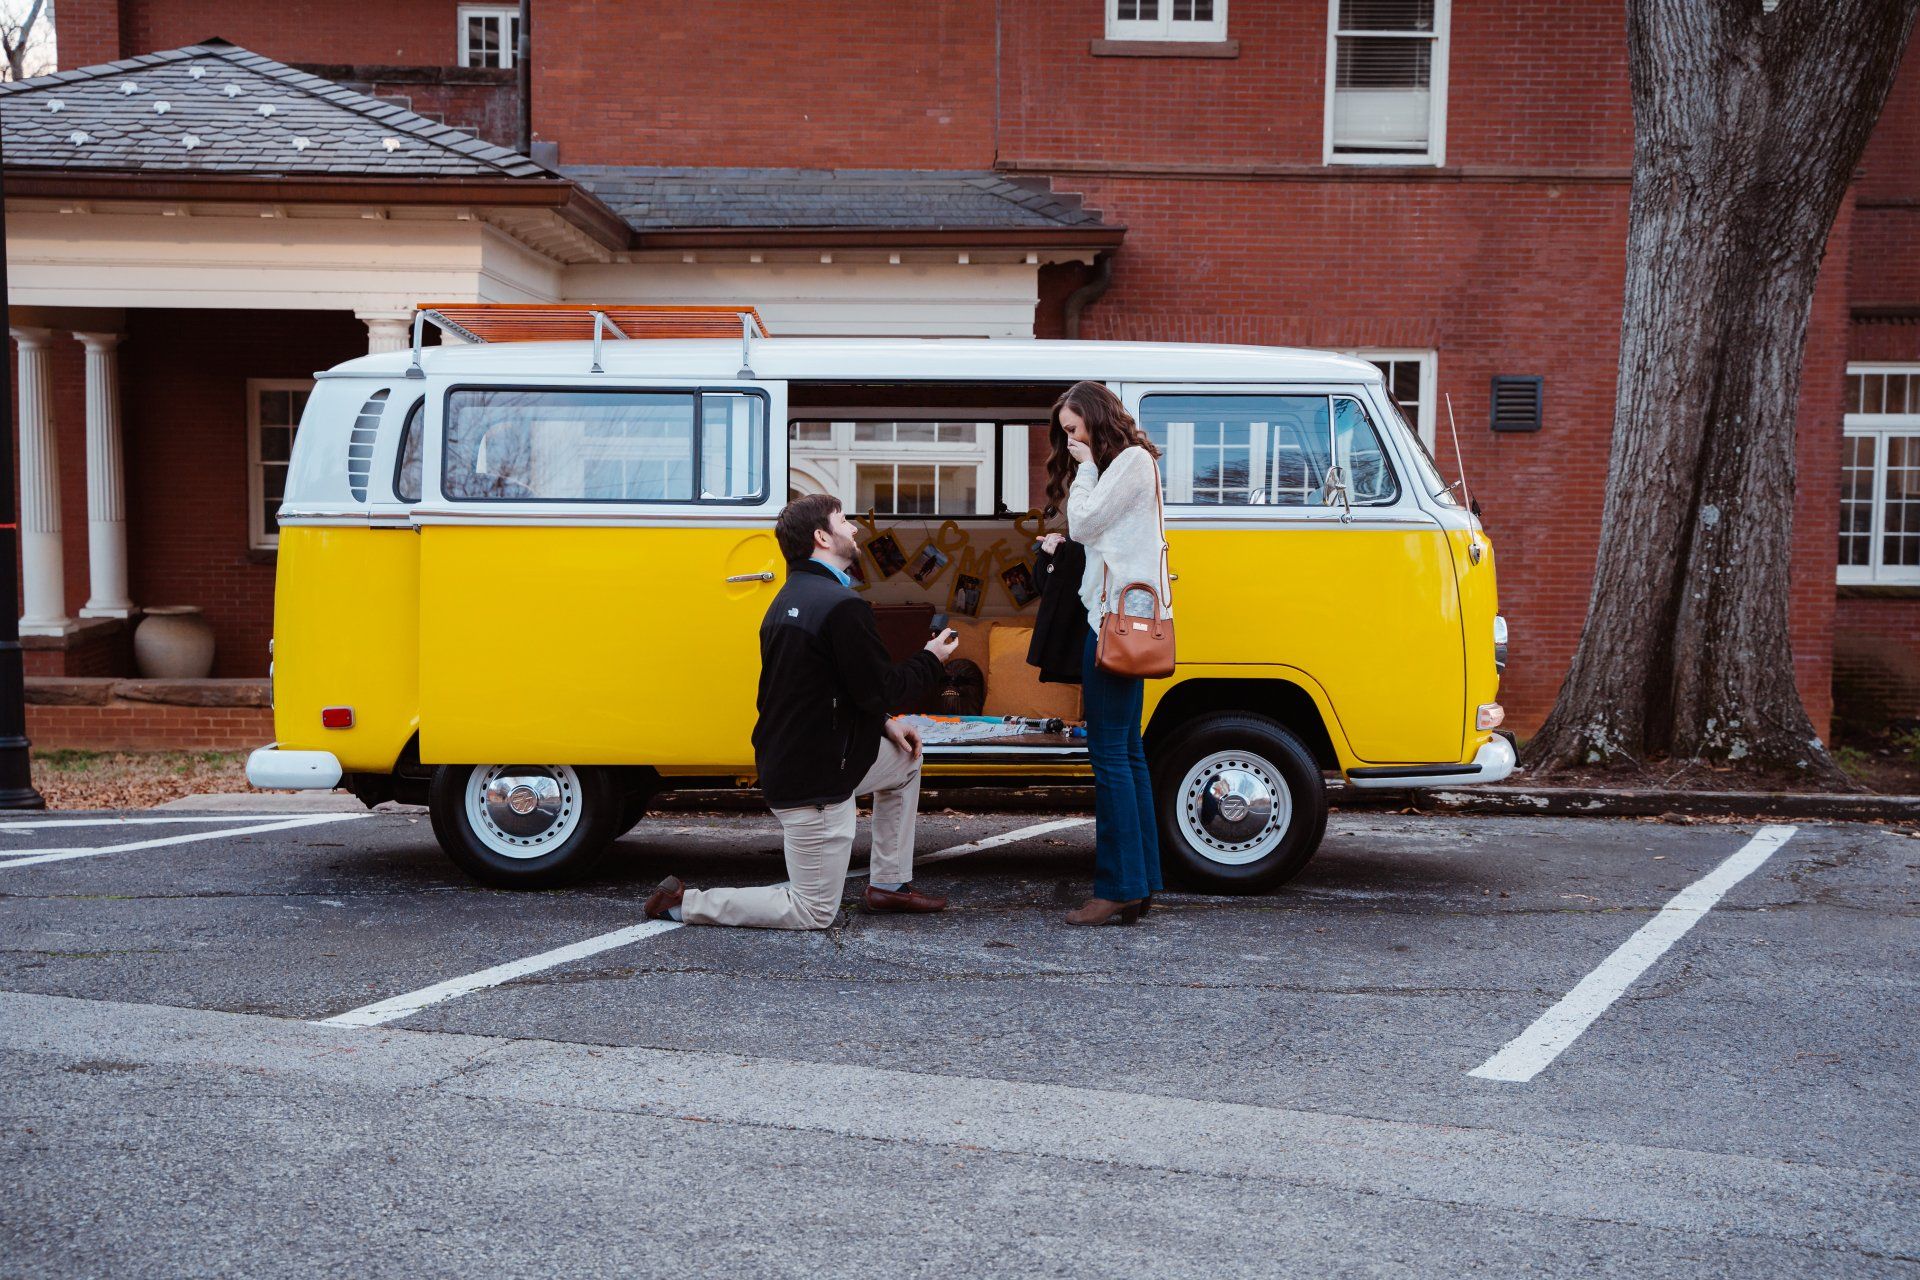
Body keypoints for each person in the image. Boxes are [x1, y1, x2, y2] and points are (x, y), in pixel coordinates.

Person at [644, 494, 961, 929]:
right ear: (822, 537)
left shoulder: (787, 599)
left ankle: (889, 885)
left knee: (905, 760)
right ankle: (685, 904)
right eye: (844, 521)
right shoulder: (842, 606)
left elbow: (827, 688)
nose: (855, 528)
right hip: (817, 783)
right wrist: (932, 658)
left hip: (799, 762)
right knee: (812, 910)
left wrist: (885, 723)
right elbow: (884, 688)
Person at [1040, 381, 1169, 926]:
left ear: (1095, 420)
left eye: (1074, 429)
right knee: (1128, 752)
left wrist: (1087, 468)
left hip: (1114, 624)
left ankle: (1118, 887)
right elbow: (1099, 535)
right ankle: (1140, 882)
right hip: (1120, 618)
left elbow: (1085, 522)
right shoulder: (1131, 465)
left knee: (1110, 755)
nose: (1070, 441)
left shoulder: (1128, 462)